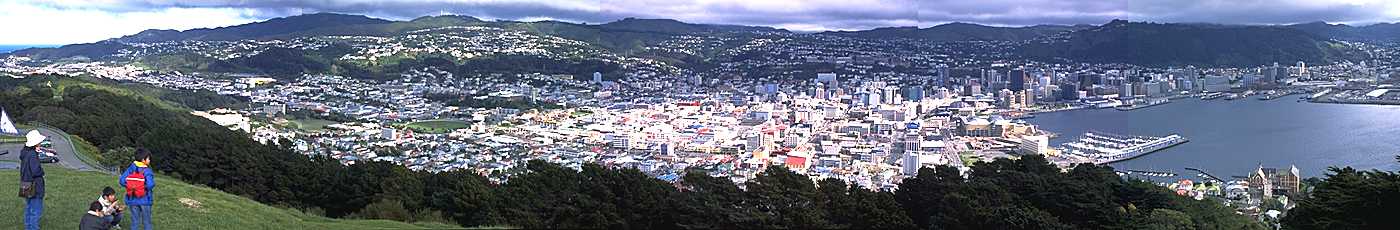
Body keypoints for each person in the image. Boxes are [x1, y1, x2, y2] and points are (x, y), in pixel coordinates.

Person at [119, 148, 155, 230]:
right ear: (143, 160)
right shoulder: (147, 171)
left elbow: (121, 181)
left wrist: (131, 187)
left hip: (132, 199)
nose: (149, 160)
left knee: (135, 221)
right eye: (148, 158)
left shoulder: (131, 168)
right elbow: (150, 185)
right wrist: (142, 187)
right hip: (145, 200)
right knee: (147, 222)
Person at [19, 130, 46, 230]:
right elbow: (36, 171)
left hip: (25, 183)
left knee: (29, 208)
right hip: (34, 185)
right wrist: (42, 171)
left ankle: (28, 227)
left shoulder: (25, 153)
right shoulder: (33, 155)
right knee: (35, 210)